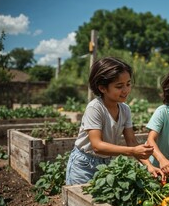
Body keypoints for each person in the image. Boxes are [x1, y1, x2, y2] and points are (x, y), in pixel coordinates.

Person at [65, 57, 162, 185]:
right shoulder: (95, 108)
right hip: (84, 165)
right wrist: (132, 151)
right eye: (119, 86)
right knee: (78, 201)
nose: (126, 90)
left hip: (106, 163)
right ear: (102, 88)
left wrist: (148, 165)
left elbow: (132, 141)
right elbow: (97, 146)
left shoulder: (125, 109)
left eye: (128, 84)